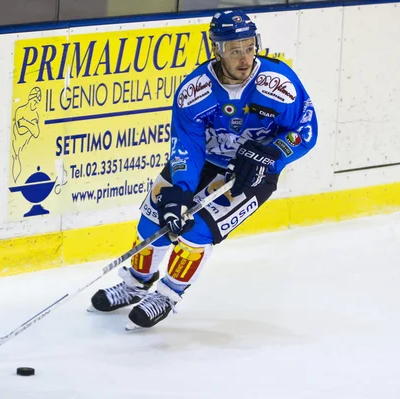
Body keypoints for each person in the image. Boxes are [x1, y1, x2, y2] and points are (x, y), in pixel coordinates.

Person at [89, 9, 318, 329]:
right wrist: (181, 189)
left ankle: (168, 294)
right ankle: (135, 283)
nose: (244, 58)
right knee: (154, 218)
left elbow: (305, 132)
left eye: (249, 47)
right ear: (217, 49)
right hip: (206, 162)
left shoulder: (278, 83)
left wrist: (269, 154)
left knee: (196, 230)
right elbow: (188, 146)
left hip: (250, 174)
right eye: (234, 50)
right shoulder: (194, 91)